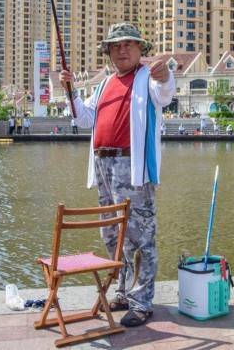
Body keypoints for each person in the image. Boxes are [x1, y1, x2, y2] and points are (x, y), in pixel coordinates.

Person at [58, 22, 175, 327]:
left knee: (140, 235)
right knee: (111, 234)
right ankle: (122, 291)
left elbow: (164, 94)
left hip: (131, 167)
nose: (122, 50)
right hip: (102, 165)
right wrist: (70, 91)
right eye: (115, 46)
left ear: (140, 49)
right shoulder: (104, 83)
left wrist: (166, 76)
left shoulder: (147, 77)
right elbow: (84, 119)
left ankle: (141, 301)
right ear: (108, 52)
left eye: (128, 44)